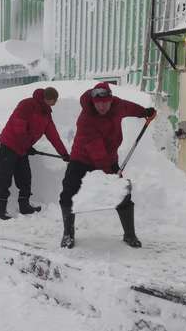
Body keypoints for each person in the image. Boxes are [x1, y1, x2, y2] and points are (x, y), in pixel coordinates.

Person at [59, 82, 156, 249]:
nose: (102, 107)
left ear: (111, 100)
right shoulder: (86, 119)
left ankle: (129, 234)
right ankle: (68, 234)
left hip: (109, 157)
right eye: (99, 104)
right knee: (68, 193)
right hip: (81, 158)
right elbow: (96, 149)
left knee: (122, 193)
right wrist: (111, 173)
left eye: (105, 103)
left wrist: (144, 112)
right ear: (93, 102)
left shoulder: (117, 105)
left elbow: (129, 108)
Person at [0, 87, 70, 220]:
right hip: (9, 145)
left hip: (22, 149)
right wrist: (26, 146)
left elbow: (54, 136)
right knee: (5, 177)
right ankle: (0, 209)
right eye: (54, 100)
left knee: (25, 178)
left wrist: (64, 153)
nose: (55, 103)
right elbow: (19, 127)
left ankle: (24, 206)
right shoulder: (27, 105)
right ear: (48, 99)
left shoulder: (46, 113)